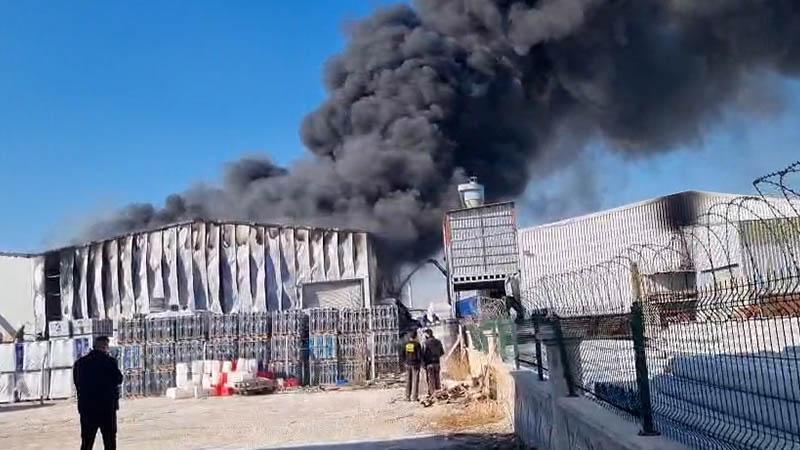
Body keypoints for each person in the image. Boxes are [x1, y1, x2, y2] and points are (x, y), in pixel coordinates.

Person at [73, 336, 123, 450]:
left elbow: (77, 383)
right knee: (109, 440)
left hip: (87, 408)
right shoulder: (109, 362)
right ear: (104, 347)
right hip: (107, 408)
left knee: (87, 441)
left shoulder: (80, 363)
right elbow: (119, 379)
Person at [422, 329, 444, 395]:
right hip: (437, 363)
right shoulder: (438, 341)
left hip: (429, 364)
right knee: (437, 379)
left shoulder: (425, 343)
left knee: (431, 380)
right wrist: (436, 356)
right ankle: (439, 393)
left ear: (427, 335)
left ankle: (432, 394)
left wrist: (423, 363)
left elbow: (423, 354)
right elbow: (442, 352)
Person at [403, 330, 422, 402]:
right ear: (416, 336)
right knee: (415, 380)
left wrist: (405, 362)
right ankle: (414, 397)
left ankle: (407, 396)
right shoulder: (417, 344)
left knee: (408, 380)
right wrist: (420, 363)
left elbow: (403, 354)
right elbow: (419, 355)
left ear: (409, 336)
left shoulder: (406, 344)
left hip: (408, 364)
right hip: (415, 364)